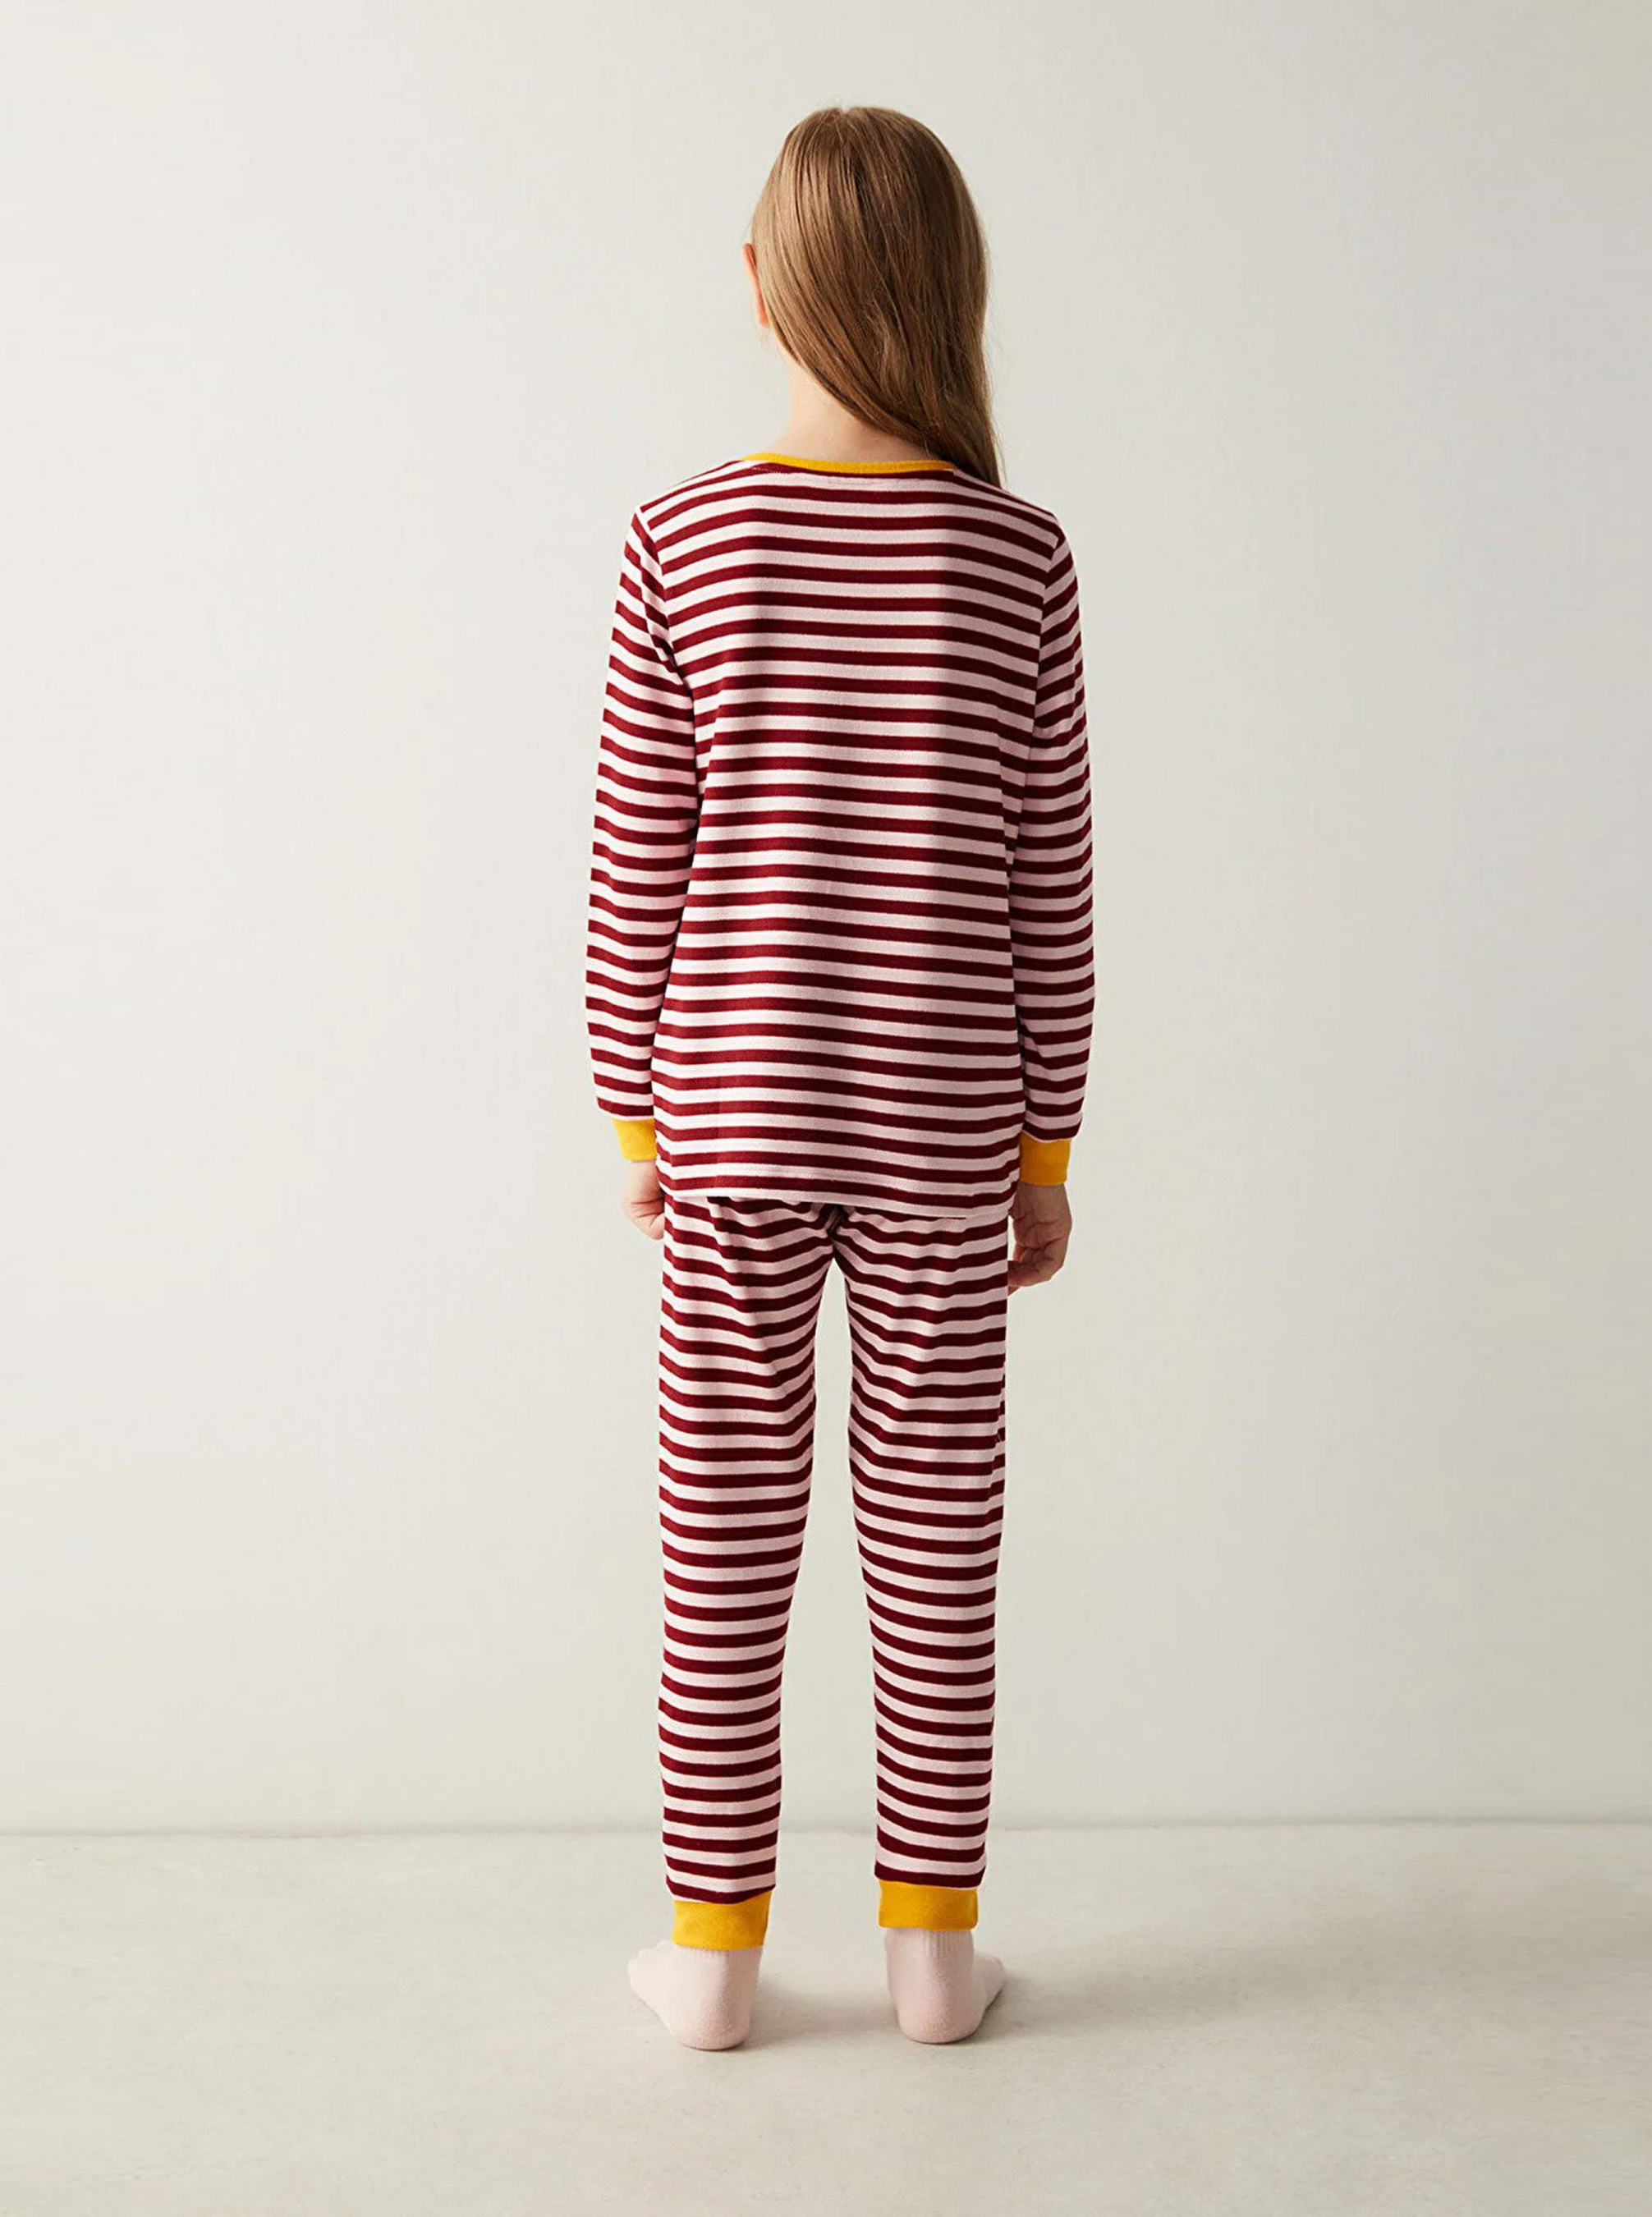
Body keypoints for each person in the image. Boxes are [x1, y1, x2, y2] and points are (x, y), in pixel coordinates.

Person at [585, 105, 1093, 2049]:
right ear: (954, 290)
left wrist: (635, 1110)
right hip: (945, 1128)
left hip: (728, 1112)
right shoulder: (1016, 556)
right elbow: (1048, 884)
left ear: (755, 283)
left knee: (719, 1542)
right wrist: (1042, 1151)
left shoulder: (681, 540)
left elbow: (640, 862)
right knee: (935, 1542)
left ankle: (712, 1964)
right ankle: (931, 1962)